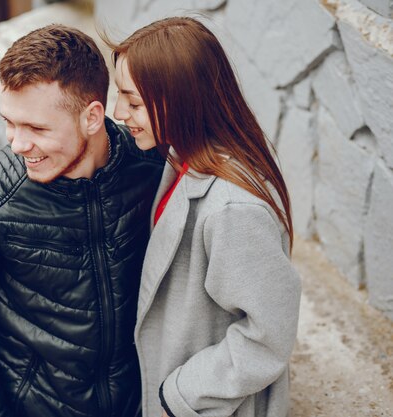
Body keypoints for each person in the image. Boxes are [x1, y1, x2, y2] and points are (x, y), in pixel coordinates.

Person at [0, 24, 163, 417]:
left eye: (36, 128)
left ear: (92, 117)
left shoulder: (150, 166)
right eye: (9, 122)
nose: (17, 144)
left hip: (142, 402)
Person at [109, 17, 302, 417]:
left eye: (133, 102)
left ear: (180, 97)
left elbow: (269, 336)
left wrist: (179, 395)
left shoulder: (233, 209)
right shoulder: (182, 157)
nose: (118, 112)